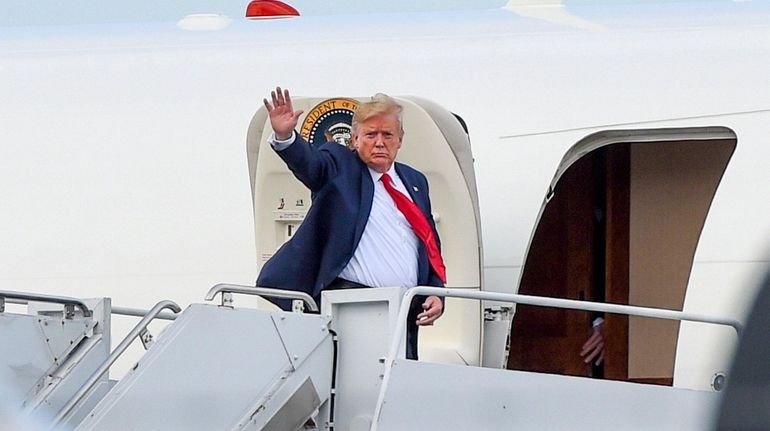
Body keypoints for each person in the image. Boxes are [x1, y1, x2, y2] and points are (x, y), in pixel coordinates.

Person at [256, 87, 445, 359]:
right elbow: (310, 164)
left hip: (404, 312)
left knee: (397, 391)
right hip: (354, 306)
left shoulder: (415, 182)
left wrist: (436, 292)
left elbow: (430, 244)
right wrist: (286, 137)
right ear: (355, 139)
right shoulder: (339, 165)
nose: (379, 142)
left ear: (400, 140)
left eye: (387, 135)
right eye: (371, 134)